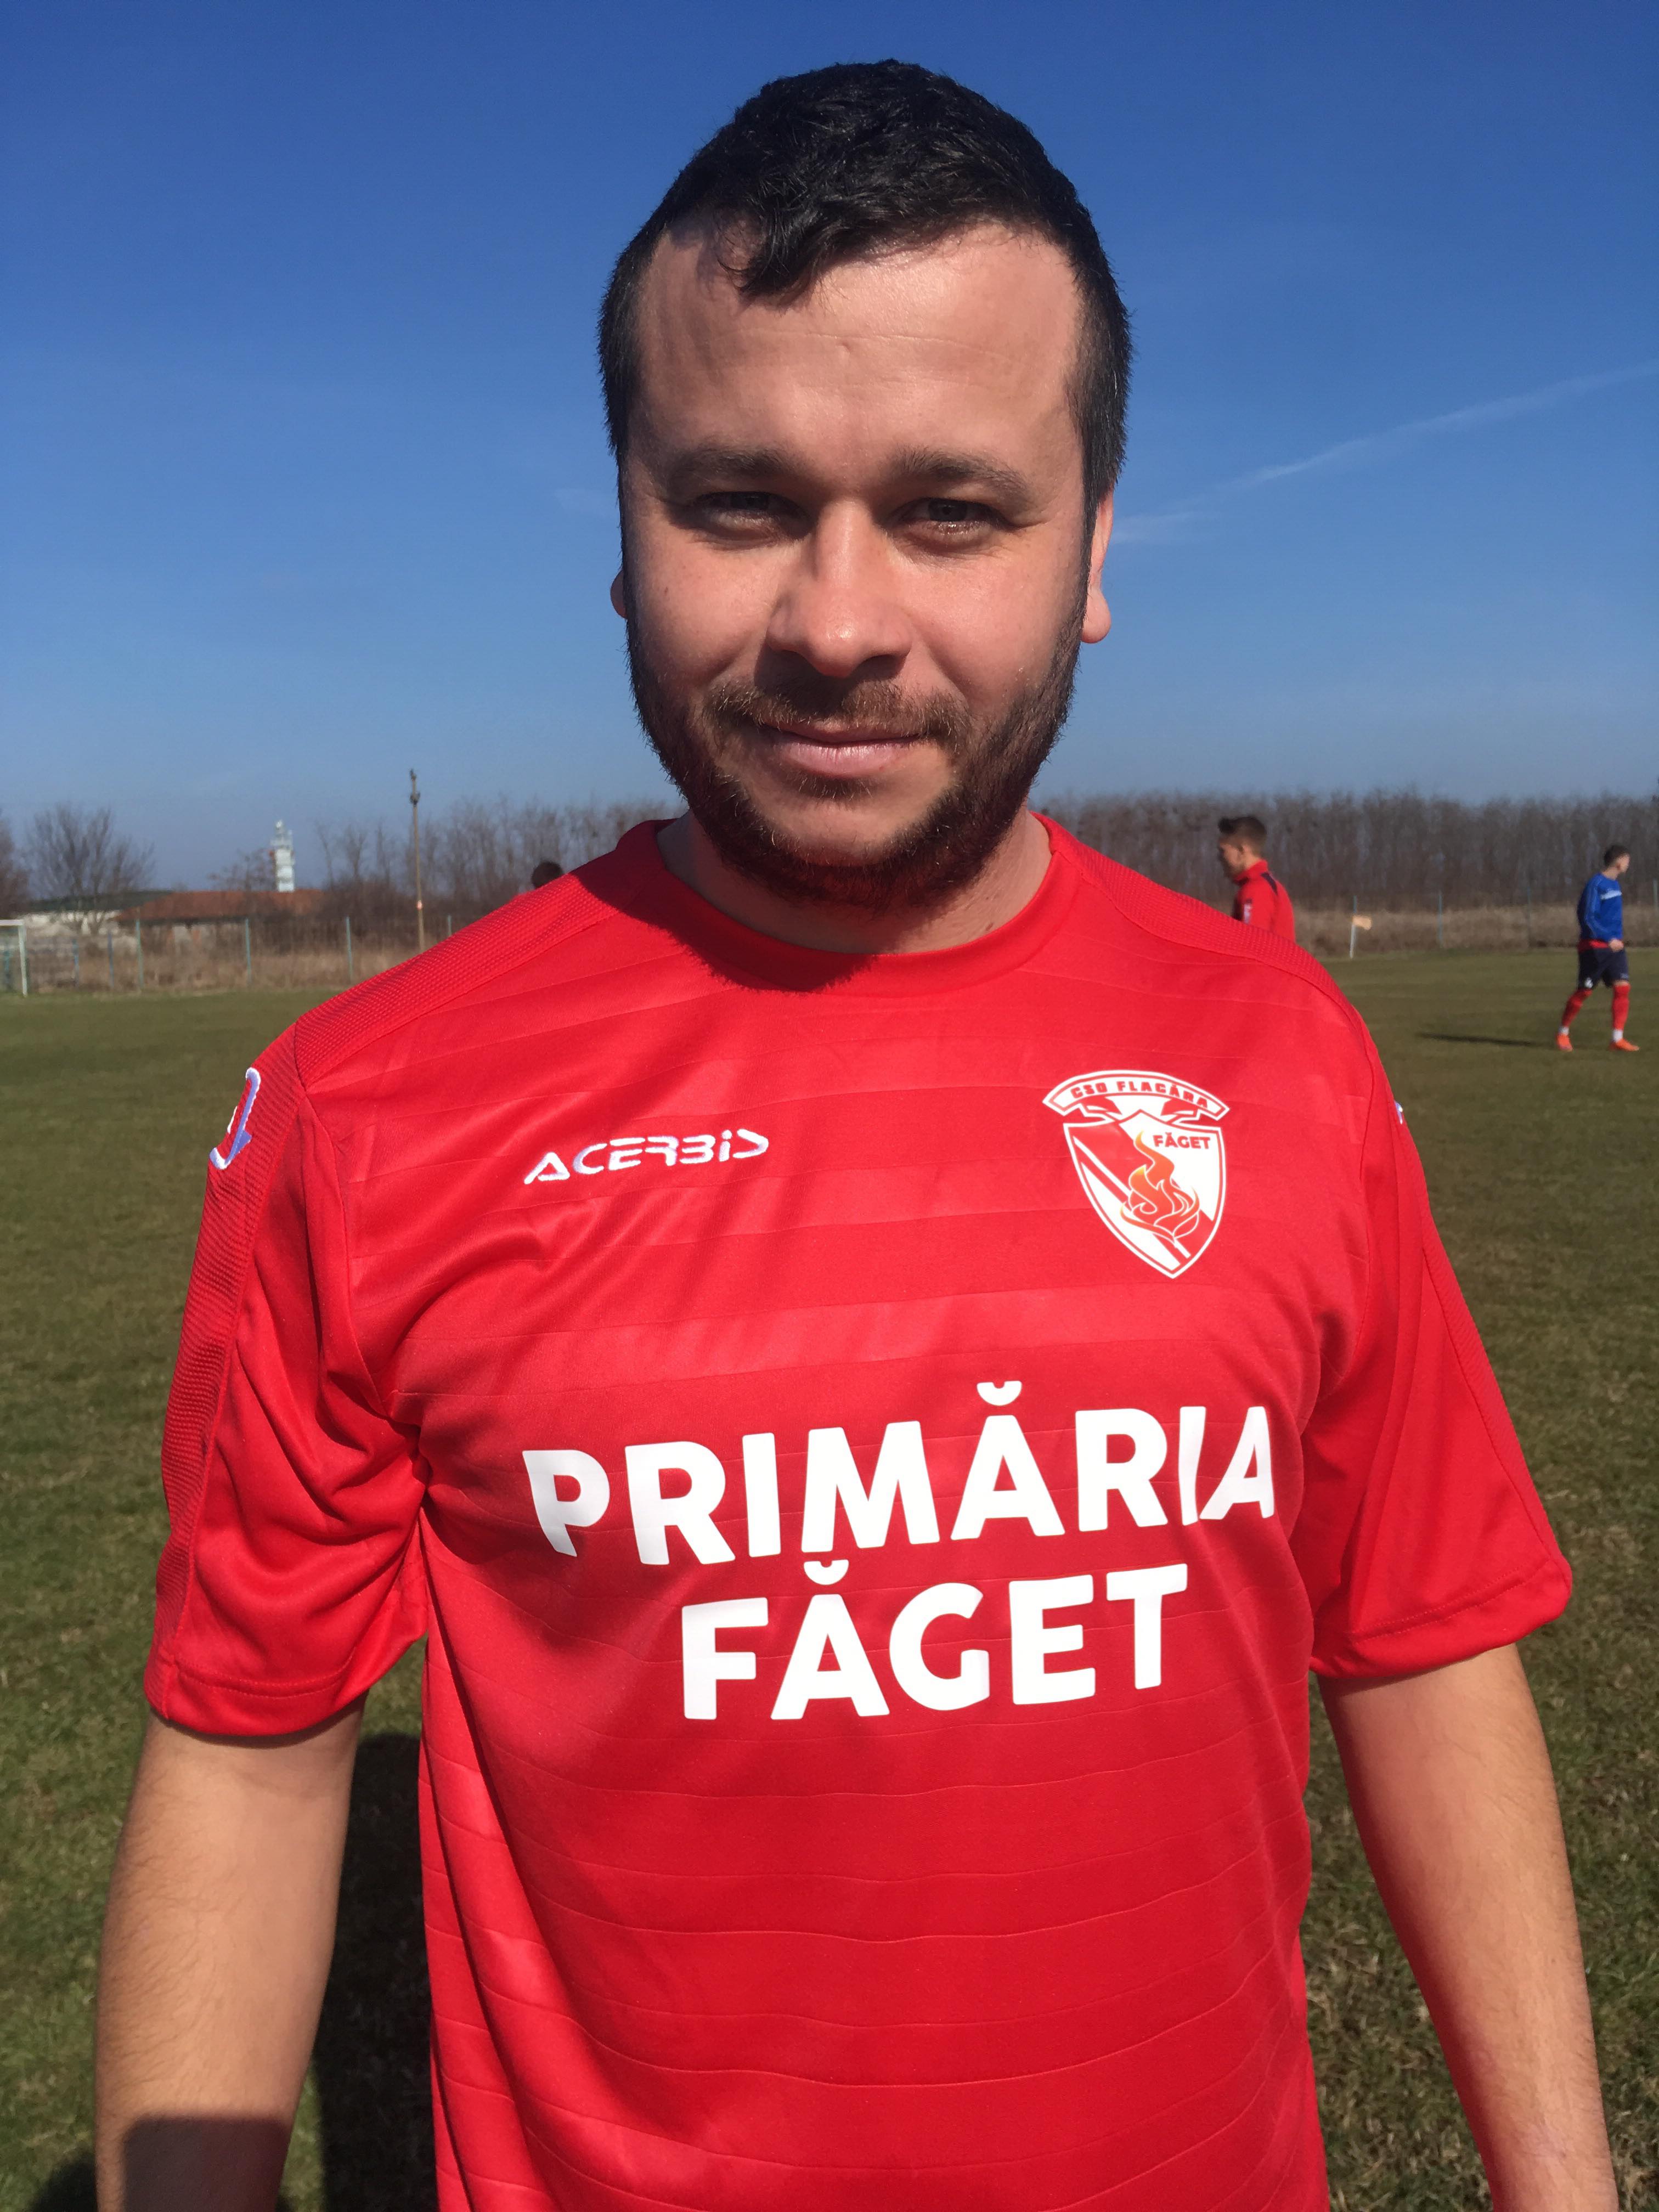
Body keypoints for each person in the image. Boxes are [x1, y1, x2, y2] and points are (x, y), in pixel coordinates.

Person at [97, 61, 1617, 2212]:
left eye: (950, 510)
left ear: (1094, 548)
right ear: (622, 530)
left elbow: (1425, 1642)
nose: (835, 620)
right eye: (737, 504)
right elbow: (251, 1760)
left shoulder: (1282, 1054)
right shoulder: (371, 1111)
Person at [1558, 843, 1638, 1052]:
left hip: (1615, 948)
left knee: (1623, 988)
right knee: (1584, 992)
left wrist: (1616, 939)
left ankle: (1617, 1039)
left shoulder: (1615, 886)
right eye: (1627, 860)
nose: (1629, 864)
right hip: (1594, 947)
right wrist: (1607, 938)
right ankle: (1563, 1033)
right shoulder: (1596, 884)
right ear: (1619, 861)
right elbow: (1587, 918)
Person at [1218, 811, 1296, 938]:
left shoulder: (1255, 889)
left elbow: (1252, 943)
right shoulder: (1265, 884)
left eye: (1223, 851)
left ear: (1242, 850)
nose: (1219, 858)